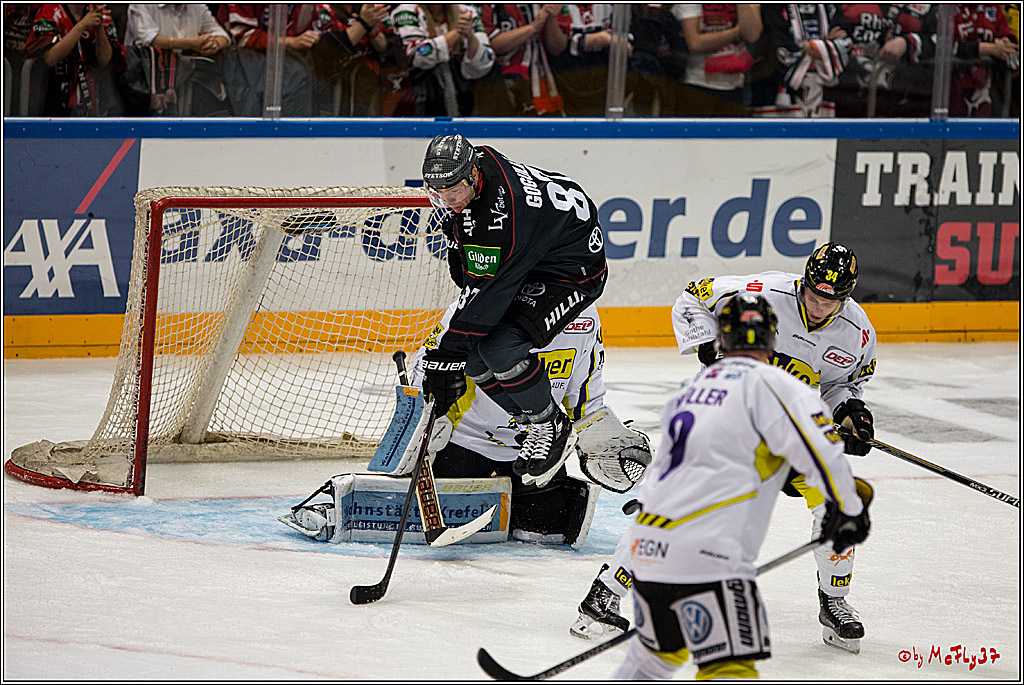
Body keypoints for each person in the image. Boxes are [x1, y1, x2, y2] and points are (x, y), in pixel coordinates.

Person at [571, 243, 877, 653]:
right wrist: (708, 343)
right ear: (804, 281)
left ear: (846, 296)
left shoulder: (858, 334)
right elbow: (693, 296)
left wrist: (851, 412)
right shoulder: (763, 292)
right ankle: (605, 593)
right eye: (814, 294)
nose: (820, 306)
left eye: (831, 300)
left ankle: (834, 601)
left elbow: (842, 385)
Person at [419, 133, 608, 493]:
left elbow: (483, 299)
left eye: (454, 192)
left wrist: (445, 356)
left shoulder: (499, 222)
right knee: (475, 356)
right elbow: (472, 283)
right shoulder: (482, 162)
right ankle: (530, 420)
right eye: (439, 192)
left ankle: (549, 423)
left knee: (500, 348)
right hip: (543, 246)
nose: (447, 200)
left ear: (473, 175)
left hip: (573, 270)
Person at [403, 301, 646, 545]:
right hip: (467, 440)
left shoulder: (583, 315)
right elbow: (431, 362)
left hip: (539, 448)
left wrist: (603, 439)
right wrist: (424, 418)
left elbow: (585, 390)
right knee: (450, 523)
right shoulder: (483, 300)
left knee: (550, 532)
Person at [123, 3, 232, 116]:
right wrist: (190, 44)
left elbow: (223, 35)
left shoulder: (197, 6)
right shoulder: (141, 5)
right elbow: (148, 39)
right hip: (144, 82)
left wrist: (214, 43)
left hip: (183, 79)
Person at [390, 4, 495, 116]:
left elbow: (485, 60)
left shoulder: (467, 12)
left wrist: (470, 36)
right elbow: (419, 57)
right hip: (418, 98)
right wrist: (456, 33)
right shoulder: (406, 12)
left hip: (462, 97)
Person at [25, 3, 127, 116]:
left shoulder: (99, 11)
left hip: (94, 103)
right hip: (53, 100)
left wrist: (99, 31)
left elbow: (104, 61)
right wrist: (81, 26)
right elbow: (50, 58)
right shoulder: (49, 11)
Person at [754, 4, 852, 117]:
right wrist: (822, 48)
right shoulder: (774, 6)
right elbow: (776, 41)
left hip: (826, 86)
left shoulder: (831, 5)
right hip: (778, 87)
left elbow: (844, 38)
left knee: (821, 132)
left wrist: (810, 47)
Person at [670, 3, 762, 116]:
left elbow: (752, 35)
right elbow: (695, 43)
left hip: (736, 83)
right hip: (698, 84)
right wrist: (737, 31)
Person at [476, 3, 564, 116]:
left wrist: (551, 17)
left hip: (542, 80)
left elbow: (557, 48)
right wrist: (533, 27)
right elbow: (490, 45)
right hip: (499, 85)